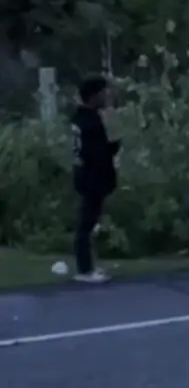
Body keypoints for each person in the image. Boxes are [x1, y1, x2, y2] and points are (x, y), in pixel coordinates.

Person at [70, 76, 121, 283]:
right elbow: (95, 153)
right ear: (93, 96)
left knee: (90, 223)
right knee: (86, 224)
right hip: (92, 177)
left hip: (85, 175)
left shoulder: (80, 118)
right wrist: (113, 147)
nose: (106, 96)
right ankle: (85, 270)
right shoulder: (90, 121)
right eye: (103, 93)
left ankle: (89, 266)